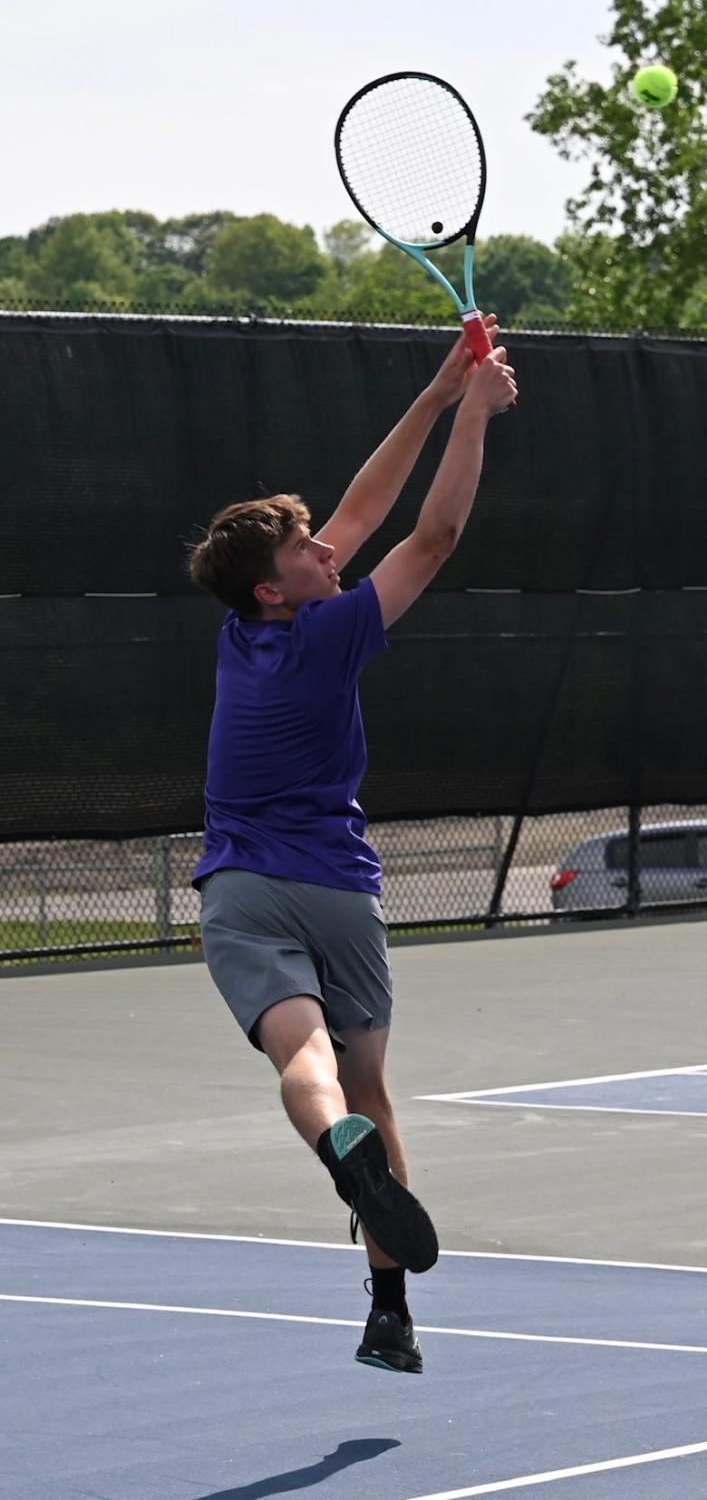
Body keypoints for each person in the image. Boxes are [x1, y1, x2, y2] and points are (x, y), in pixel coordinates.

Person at [187, 320, 517, 1374]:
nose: (328, 545)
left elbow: (366, 511)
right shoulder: (331, 635)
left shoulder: (250, 631)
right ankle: (390, 1315)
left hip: (243, 892)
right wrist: (475, 415)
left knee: (305, 1061)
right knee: (374, 1087)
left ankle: (336, 1151)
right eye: (305, 549)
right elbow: (431, 536)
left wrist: (436, 389)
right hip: (335, 889)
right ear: (278, 588)